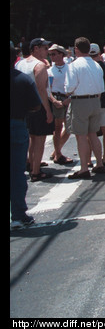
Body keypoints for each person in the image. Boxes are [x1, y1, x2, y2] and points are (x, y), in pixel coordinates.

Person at [63, 37, 105, 180]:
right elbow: (101, 86)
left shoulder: (74, 65)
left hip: (80, 101)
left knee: (81, 136)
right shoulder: (97, 65)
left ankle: (84, 168)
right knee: (93, 133)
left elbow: (69, 87)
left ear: (76, 49)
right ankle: (99, 163)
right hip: (95, 100)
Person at [11, 43, 41, 228]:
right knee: (16, 173)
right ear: (15, 58)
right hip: (17, 125)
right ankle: (18, 215)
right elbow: (35, 105)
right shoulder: (23, 80)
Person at [16, 37, 54, 182]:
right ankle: (36, 171)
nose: (47, 51)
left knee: (31, 138)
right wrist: (48, 111)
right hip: (38, 106)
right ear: (36, 48)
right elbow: (41, 90)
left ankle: (31, 164)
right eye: (44, 48)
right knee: (39, 140)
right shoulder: (40, 66)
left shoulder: (20, 63)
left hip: (24, 107)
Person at [47, 44, 74, 166]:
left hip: (67, 97)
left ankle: (56, 151)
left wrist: (69, 98)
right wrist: (54, 101)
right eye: (50, 54)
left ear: (61, 54)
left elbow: (74, 83)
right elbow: (48, 89)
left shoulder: (69, 68)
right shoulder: (49, 71)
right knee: (57, 128)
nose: (51, 56)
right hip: (56, 97)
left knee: (69, 128)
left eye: (54, 54)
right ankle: (58, 154)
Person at [89, 43, 105, 170]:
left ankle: (88, 159)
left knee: (91, 131)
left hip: (92, 101)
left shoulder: (89, 67)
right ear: (99, 53)